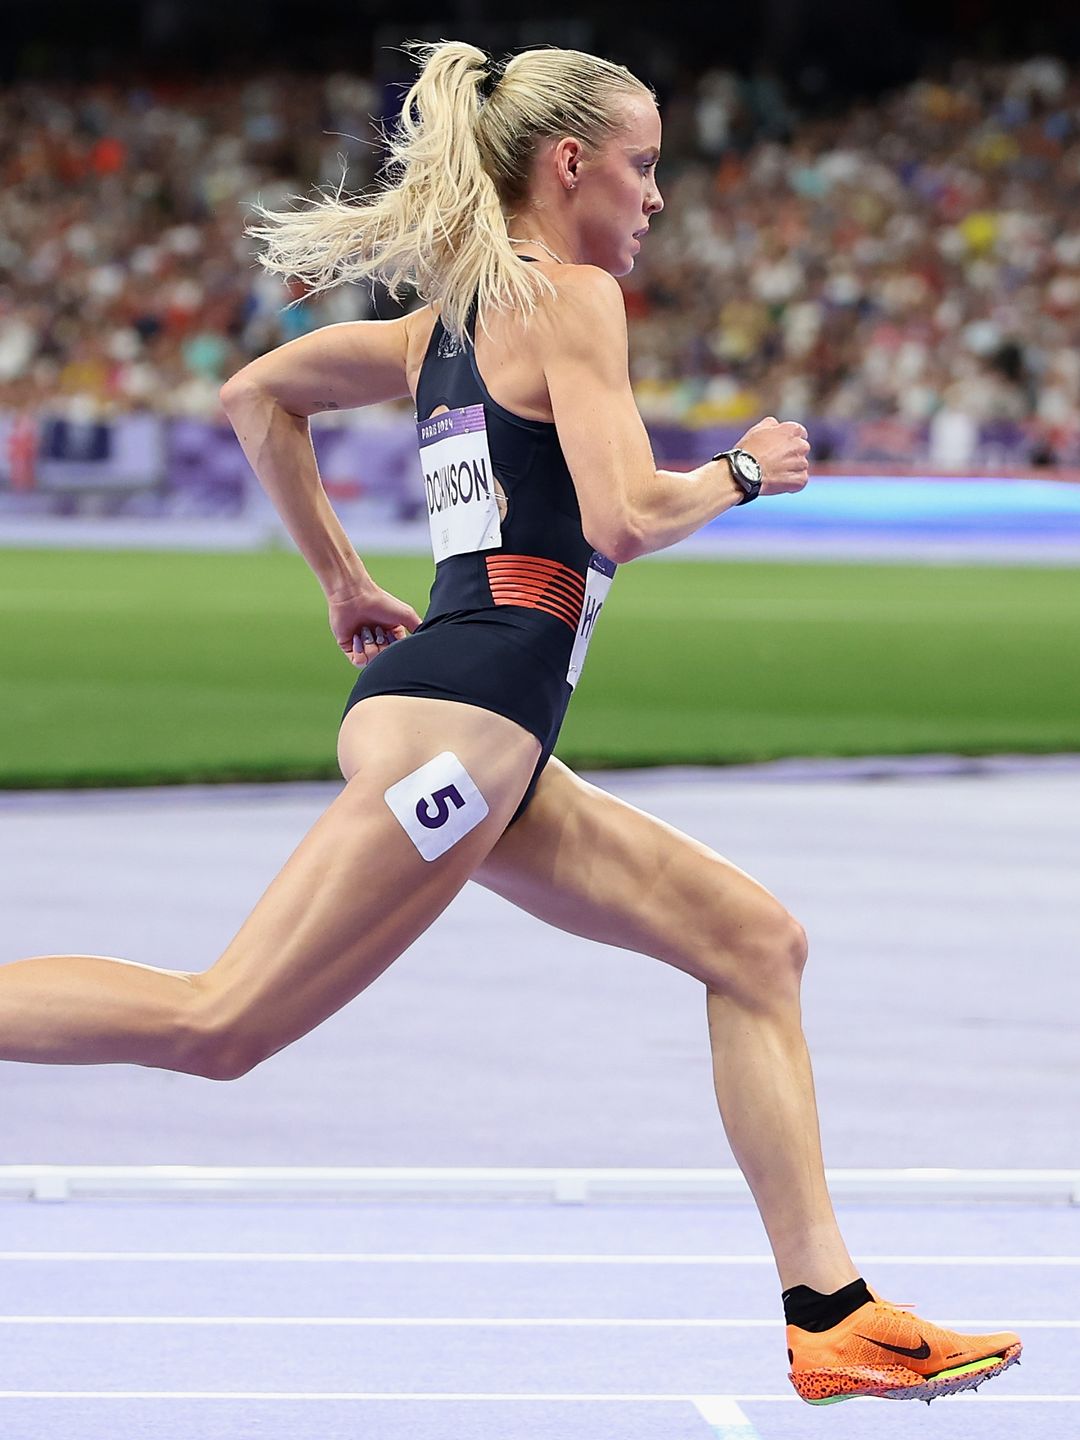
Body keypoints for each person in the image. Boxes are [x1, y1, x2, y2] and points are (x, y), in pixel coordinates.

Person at [4, 40, 1020, 1406]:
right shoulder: (575, 297)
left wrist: (344, 584)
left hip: (476, 730)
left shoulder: (444, 326)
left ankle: (828, 1312)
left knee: (755, 944)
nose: (658, 197)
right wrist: (744, 468)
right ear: (570, 165)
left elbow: (258, 399)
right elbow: (625, 518)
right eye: (645, 166)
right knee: (221, 1022)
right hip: (464, 730)